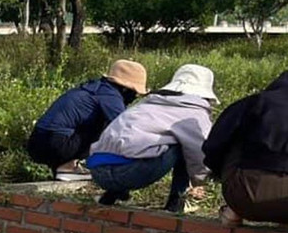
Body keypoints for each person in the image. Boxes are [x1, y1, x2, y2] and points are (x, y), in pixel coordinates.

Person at [205, 70, 288, 232]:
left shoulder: (251, 103)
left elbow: (213, 146)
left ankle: (234, 212)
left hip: (242, 197)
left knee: (234, 142)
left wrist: (219, 175)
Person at [87, 63, 216, 214]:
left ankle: (110, 196)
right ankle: (175, 204)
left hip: (97, 170)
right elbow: (199, 151)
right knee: (183, 144)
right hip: (130, 173)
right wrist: (200, 180)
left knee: (136, 148)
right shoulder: (195, 113)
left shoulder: (146, 104)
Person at [27, 60, 147, 181]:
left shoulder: (94, 88)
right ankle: (69, 167)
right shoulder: (110, 95)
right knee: (105, 124)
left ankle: (64, 167)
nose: (134, 97)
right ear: (125, 89)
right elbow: (125, 126)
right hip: (56, 144)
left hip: (36, 143)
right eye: (135, 93)